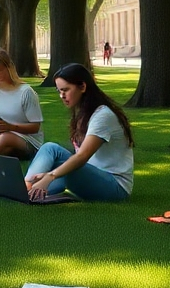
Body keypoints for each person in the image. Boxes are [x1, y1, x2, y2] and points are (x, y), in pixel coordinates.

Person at [25, 63, 134, 202]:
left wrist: (50, 176)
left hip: (115, 188)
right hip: (91, 177)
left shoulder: (103, 115)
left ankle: (26, 187)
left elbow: (82, 156)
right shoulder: (82, 113)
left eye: (65, 90)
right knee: (45, 177)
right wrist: (47, 175)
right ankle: (27, 188)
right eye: (59, 91)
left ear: (82, 87)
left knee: (52, 149)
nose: (61, 96)